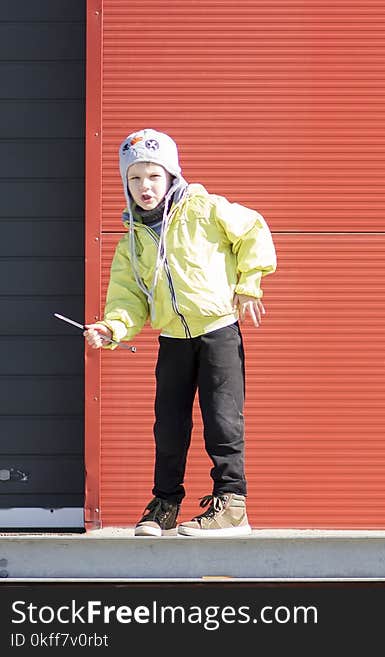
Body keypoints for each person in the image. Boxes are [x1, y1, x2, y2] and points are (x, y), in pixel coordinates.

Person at [84, 128, 277, 538]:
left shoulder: (204, 209)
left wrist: (248, 285)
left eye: (154, 176)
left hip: (218, 332)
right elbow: (128, 297)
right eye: (134, 178)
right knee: (168, 426)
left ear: (171, 175)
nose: (145, 187)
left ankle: (232, 506)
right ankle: (165, 504)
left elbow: (253, 230)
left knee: (222, 420)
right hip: (172, 339)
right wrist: (111, 326)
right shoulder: (132, 242)